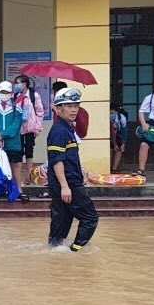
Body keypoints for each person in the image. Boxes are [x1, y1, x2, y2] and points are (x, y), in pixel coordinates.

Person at [47, 87, 98, 251]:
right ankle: (76, 250)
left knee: (62, 216)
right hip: (67, 184)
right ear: (59, 109)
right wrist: (64, 186)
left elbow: (69, 158)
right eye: (69, 106)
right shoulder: (59, 131)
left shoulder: (68, 128)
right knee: (90, 217)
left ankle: (55, 249)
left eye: (76, 105)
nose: (74, 109)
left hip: (68, 181)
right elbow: (57, 161)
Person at [0, 81, 26, 201]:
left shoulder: (17, 108)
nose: (4, 94)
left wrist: (2, 135)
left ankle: (18, 189)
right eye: (2, 92)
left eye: (7, 92)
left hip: (13, 143)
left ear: (11, 93)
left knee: (16, 166)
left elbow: (15, 126)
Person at [14, 74, 44, 190]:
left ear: (24, 83)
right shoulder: (16, 95)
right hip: (19, 128)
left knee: (29, 151)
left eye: (18, 83)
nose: (16, 86)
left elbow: (39, 112)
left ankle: (29, 175)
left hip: (30, 127)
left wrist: (38, 127)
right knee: (19, 151)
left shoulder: (33, 96)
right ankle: (19, 177)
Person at [109, 102, 128, 174]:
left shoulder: (122, 118)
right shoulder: (105, 118)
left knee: (119, 150)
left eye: (112, 113)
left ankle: (114, 169)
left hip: (118, 135)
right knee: (109, 150)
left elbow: (124, 131)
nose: (111, 115)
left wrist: (123, 143)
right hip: (109, 135)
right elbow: (111, 133)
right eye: (110, 113)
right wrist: (114, 144)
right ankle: (109, 167)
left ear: (116, 112)